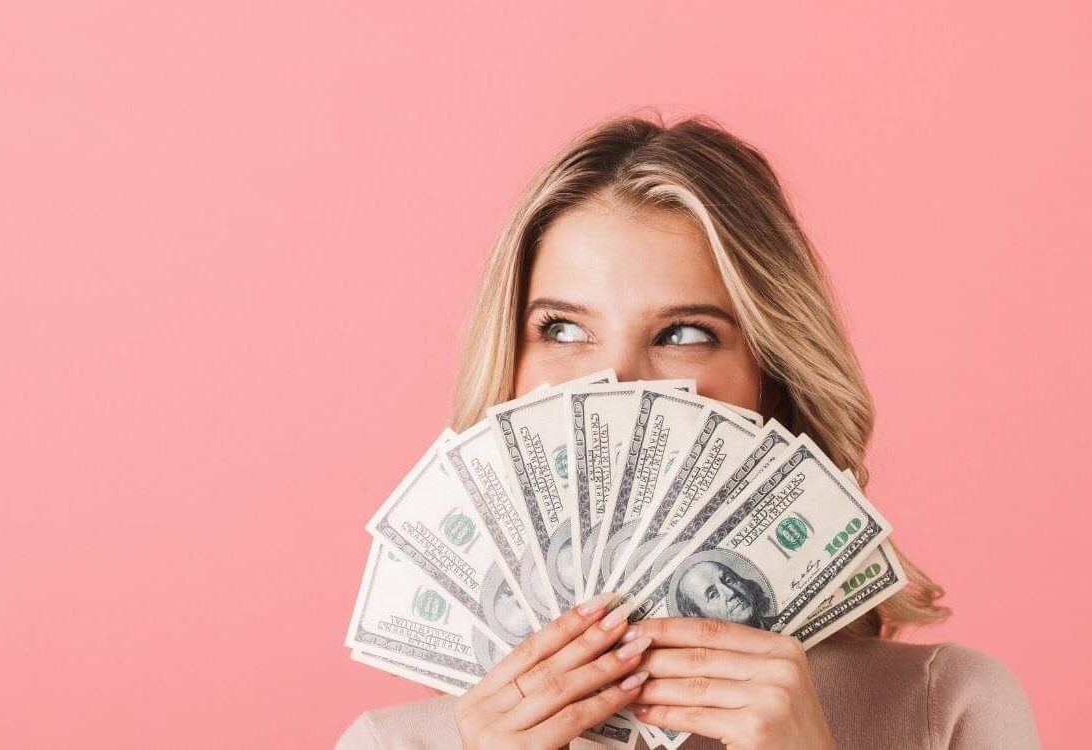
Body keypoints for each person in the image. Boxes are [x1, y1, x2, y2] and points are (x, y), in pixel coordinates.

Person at [337, 112, 1040, 749]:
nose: (614, 388)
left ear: (773, 379)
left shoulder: (946, 707)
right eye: (563, 329)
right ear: (509, 366)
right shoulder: (393, 745)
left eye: (684, 334)